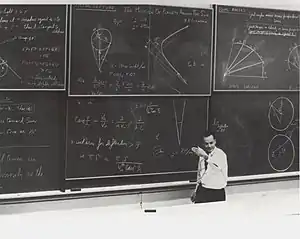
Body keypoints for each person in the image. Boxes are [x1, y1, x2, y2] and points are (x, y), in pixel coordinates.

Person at [191, 131, 228, 204]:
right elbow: (200, 174)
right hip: (202, 191)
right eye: (206, 144)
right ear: (203, 143)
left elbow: (216, 168)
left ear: (215, 141)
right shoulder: (202, 154)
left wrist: (206, 157)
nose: (209, 146)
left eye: (211, 143)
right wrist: (196, 190)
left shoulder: (220, 154)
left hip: (216, 192)